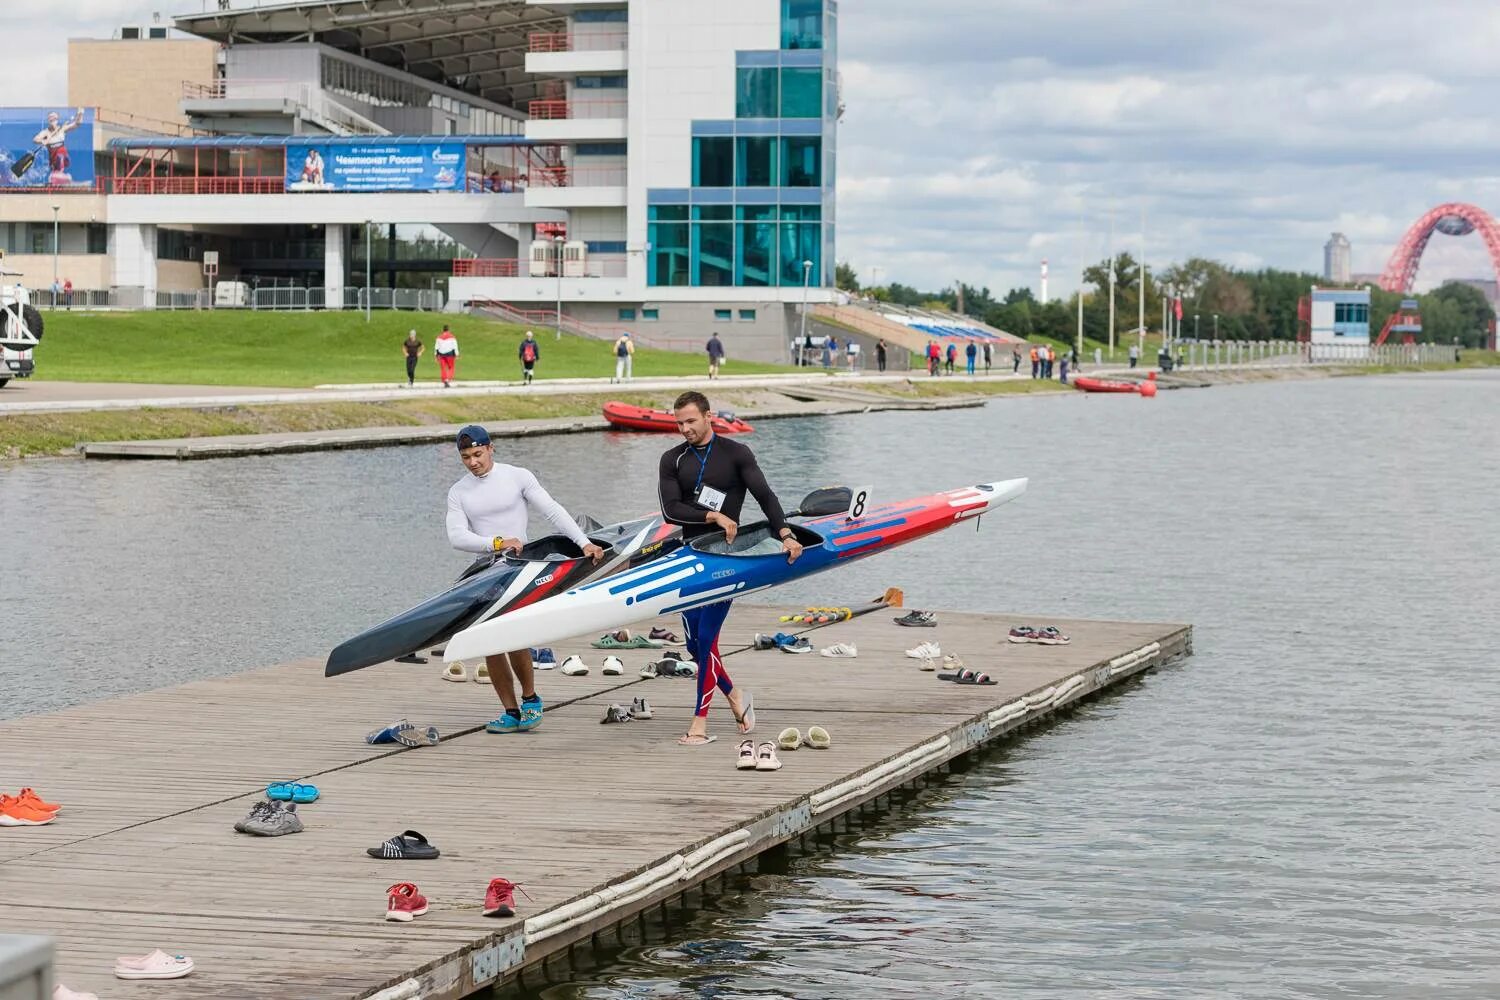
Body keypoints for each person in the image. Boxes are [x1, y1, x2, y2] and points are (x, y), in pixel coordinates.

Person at [657, 392, 802, 746]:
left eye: (691, 421)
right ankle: (735, 695)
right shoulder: (672, 459)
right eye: (679, 423)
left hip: (725, 559)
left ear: (709, 417)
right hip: (689, 557)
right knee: (694, 645)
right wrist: (712, 514)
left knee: (706, 640)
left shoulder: (737, 453)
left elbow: (766, 496)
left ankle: (699, 723)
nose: (685, 428)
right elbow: (670, 510)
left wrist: (785, 533)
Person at [447, 425, 605, 734]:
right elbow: (456, 536)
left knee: (514, 636)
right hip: (487, 570)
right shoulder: (458, 492)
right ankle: (509, 711)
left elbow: (553, 512)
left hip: (520, 568)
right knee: (488, 642)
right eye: (466, 457)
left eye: (478, 454)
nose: (473, 462)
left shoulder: (517, 476)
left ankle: (531, 699)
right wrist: (496, 542)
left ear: (491, 448)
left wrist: (583, 543)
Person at [31, 108, 84, 183]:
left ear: (57, 119)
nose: (53, 120)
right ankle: (60, 177)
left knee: (61, 153)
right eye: (50, 118)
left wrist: (80, 114)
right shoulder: (45, 132)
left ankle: (61, 177)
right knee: (56, 171)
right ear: (48, 121)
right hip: (54, 161)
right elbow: (35, 139)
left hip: (64, 158)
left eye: (54, 118)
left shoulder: (62, 129)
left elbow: (77, 124)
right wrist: (43, 141)